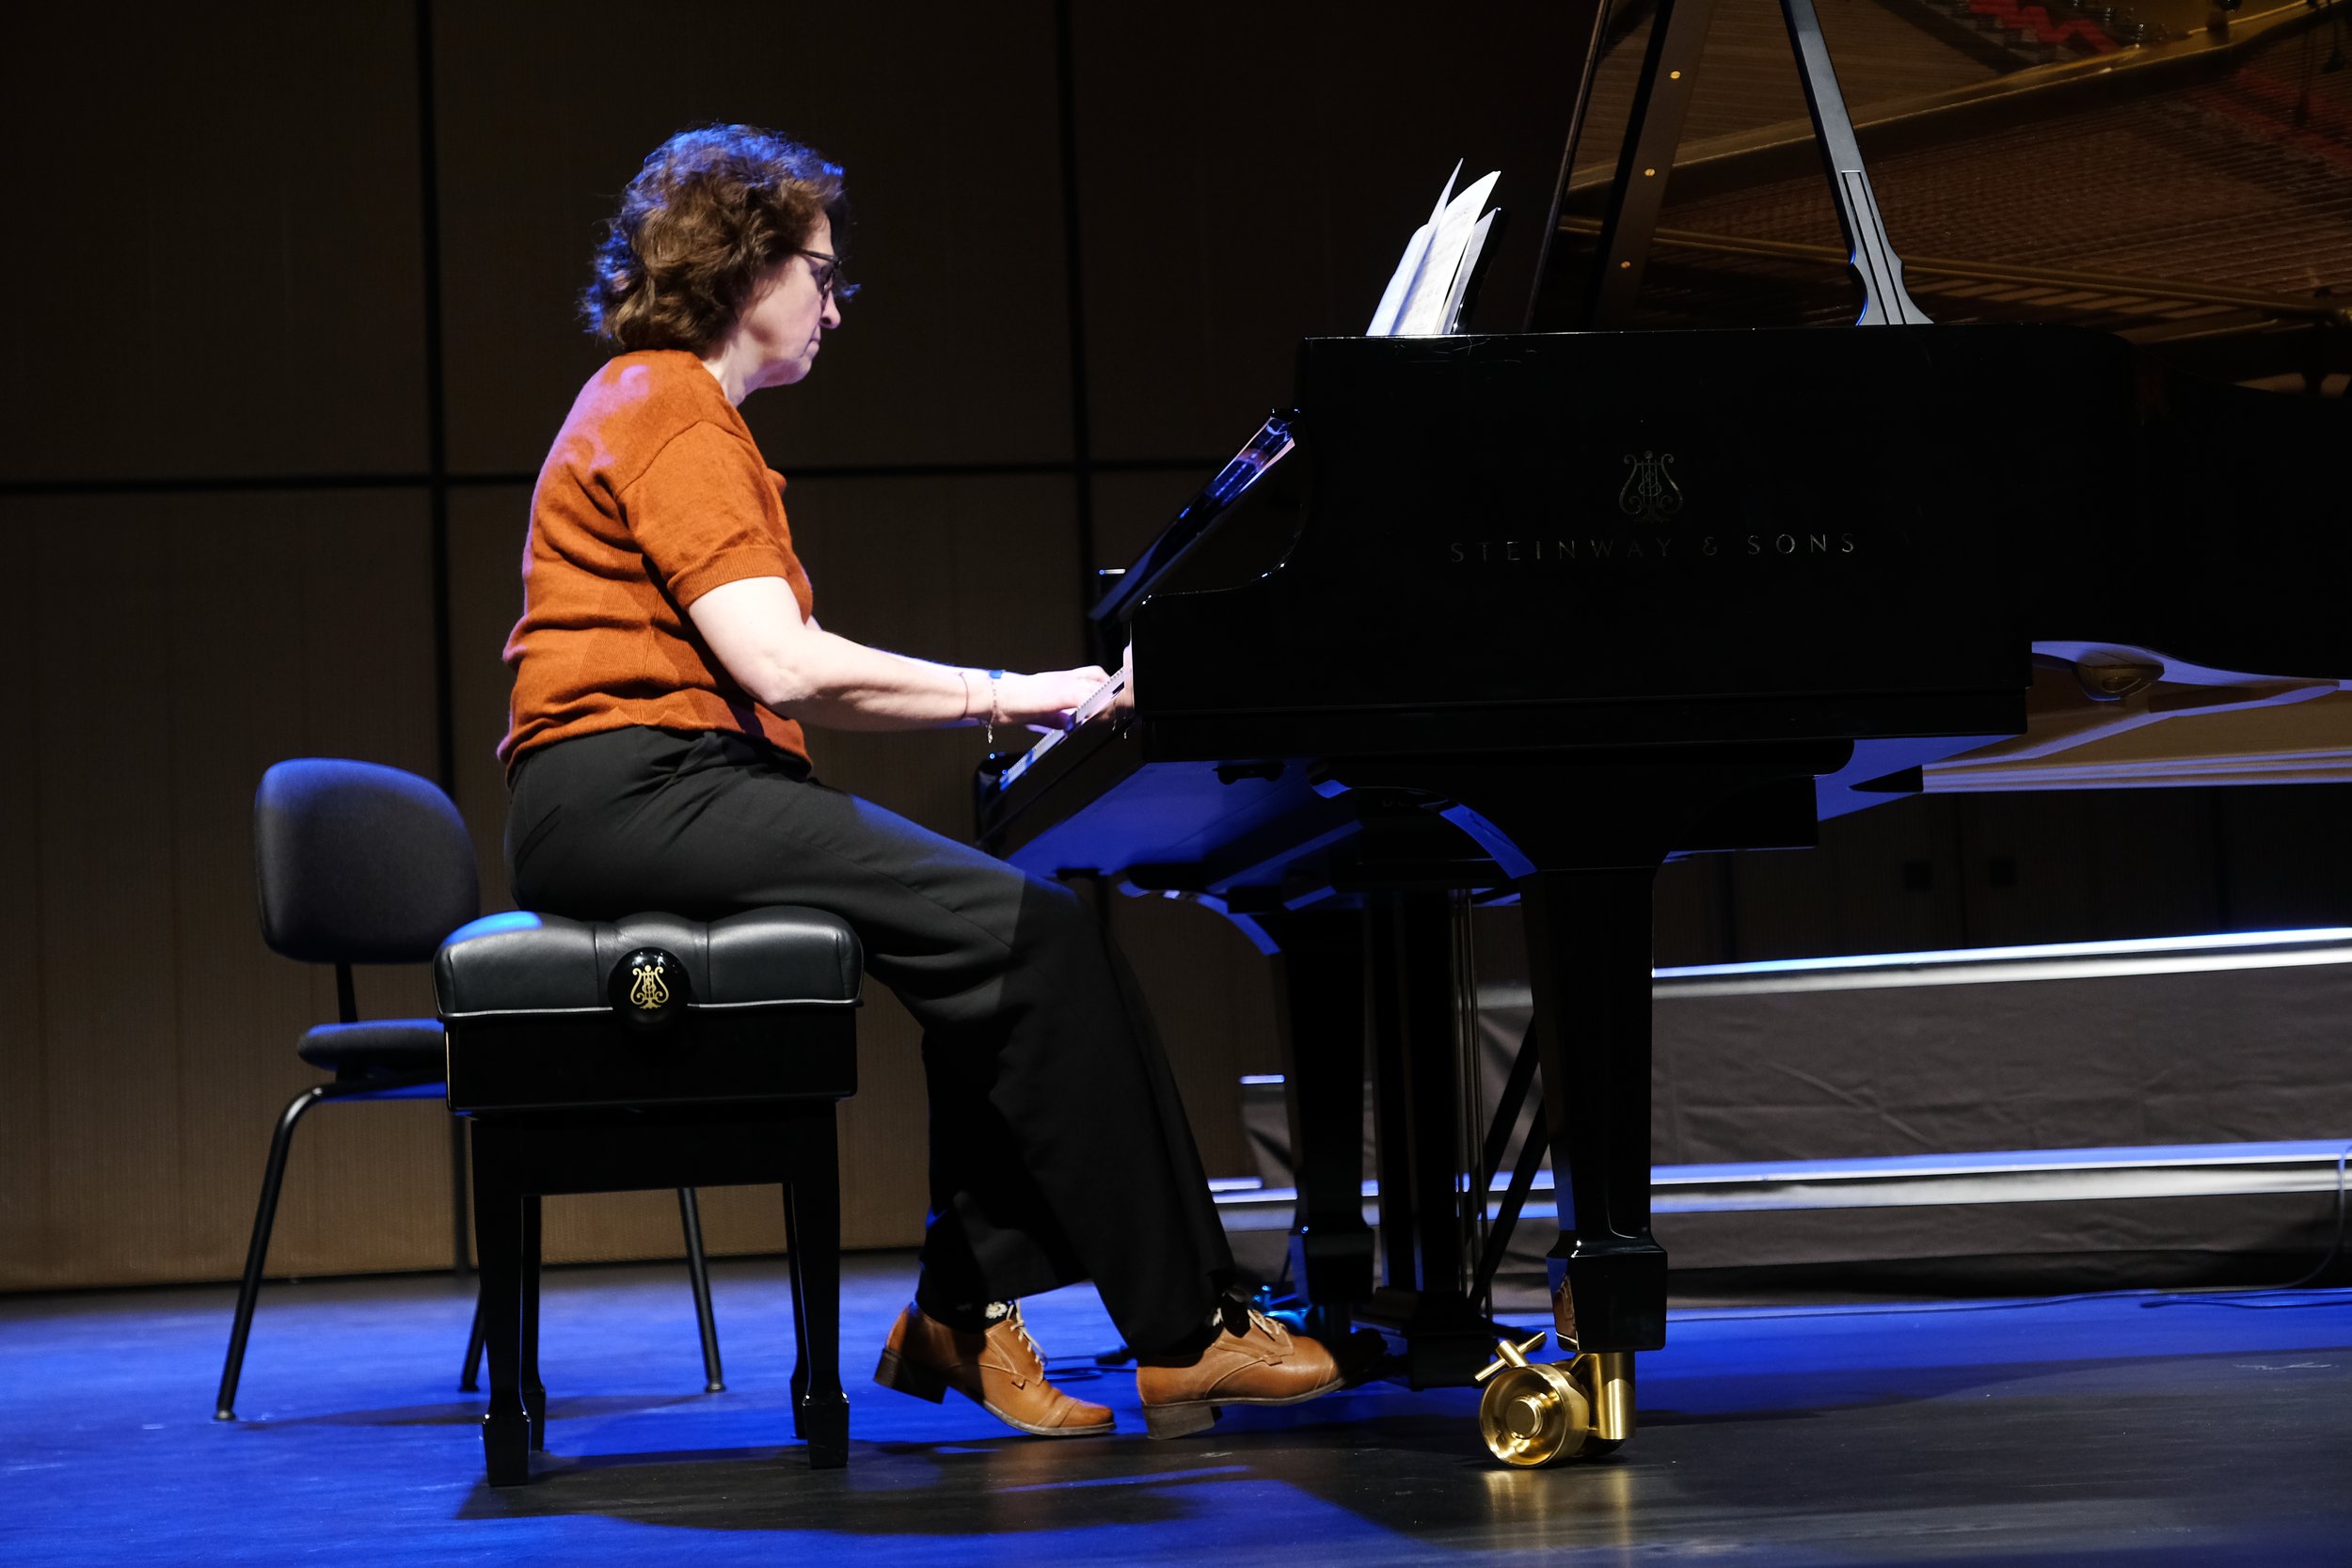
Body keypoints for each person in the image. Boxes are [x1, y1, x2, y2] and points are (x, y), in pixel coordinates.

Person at [498, 124, 1354, 1441]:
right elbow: (784, 667)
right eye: (822, 272)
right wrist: (1023, 690)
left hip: (653, 789)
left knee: (997, 951)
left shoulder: (671, 410)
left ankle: (960, 1309)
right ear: (745, 265)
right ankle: (1187, 1331)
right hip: (635, 792)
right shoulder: (667, 405)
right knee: (1035, 935)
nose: (836, 305)